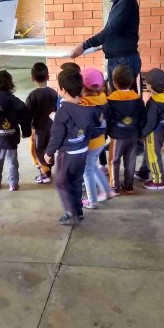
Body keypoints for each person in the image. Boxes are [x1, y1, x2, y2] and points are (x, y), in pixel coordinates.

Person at [44, 69, 100, 226]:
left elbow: (56, 136)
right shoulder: (89, 108)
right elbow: (93, 127)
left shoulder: (62, 112)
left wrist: (49, 153)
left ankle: (71, 213)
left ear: (62, 89)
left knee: (61, 182)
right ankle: (79, 211)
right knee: (75, 181)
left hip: (68, 154)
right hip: (82, 151)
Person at [70, 0, 140, 92]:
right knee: (127, 97)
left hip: (123, 60)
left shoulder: (125, 1)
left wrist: (84, 46)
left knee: (119, 99)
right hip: (122, 58)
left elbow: (110, 30)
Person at [0, 70, 31, 191]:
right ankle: (13, 183)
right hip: (12, 138)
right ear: (10, 83)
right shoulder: (16, 102)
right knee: (13, 161)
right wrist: (26, 131)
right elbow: (25, 117)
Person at [106, 65, 147, 194]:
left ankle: (114, 187)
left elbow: (107, 119)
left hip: (117, 137)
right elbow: (143, 117)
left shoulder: (110, 100)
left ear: (114, 83)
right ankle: (128, 186)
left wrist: (106, 132)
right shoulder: (138, 99)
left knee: (114, 160)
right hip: (133, 135)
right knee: (130, 161)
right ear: (132, 81)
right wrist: (141, 133)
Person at [79, 67, 116, 209]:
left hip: (89, 143)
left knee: (87, 171)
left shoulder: (84, 103)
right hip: (100, 140)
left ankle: (92, 200)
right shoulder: (103, 99)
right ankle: (108, 191)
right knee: (92, 166)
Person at [136, 68, 164, 191]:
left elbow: (150, 123)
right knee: (149, 153)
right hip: (161, 131)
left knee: (153, 156)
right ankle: (143, 172)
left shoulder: (153, 103)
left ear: (150, 86)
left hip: (153, 133)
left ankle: (158, 180)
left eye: (146, 83)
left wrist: (142, 134)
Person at [25, 62, 58, 184]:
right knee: (49, 149)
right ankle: (48, 170)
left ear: (32, 79)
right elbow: (57, 110)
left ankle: (45, 174)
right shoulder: (53, 93)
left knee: (38, 150)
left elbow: (27, 114)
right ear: (48, 77)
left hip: (38, 129)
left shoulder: (32, 96)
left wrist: (27, 129)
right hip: (52, 128)